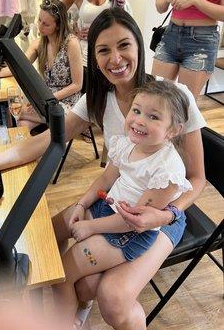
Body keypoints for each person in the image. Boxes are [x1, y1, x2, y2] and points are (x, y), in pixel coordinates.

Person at [0, 8, 206, 330]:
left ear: (139, 47)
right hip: (115, 202)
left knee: (111, 299)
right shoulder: (98, 98)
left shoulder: (174, 98)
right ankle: (71, 310)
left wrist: (165, 215)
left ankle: (74, 308)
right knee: (46, 238)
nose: (115, 58)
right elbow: (42, 143)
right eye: (103, 50)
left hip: (163, 213)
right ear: (94, 56)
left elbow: (197, 179)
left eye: (124, 45)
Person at [51, 79, 192, 327]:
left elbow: (133, 221)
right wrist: (82, 204)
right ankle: (76, 312)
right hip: (109, 210)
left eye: (153, 117)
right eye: (136, 111)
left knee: (61, 275)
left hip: (128, 233)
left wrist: (91, 227)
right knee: (57, 254)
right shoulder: (128, 143)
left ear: (173, 131)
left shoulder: (167, 171)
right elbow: (106, 177)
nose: (139, 120)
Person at [18, 0, 83, 130]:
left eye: (46, 24)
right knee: (22, 124)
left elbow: (77, 85)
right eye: (39, 20)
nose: (40, 27)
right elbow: (19, 65)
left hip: (68, 102)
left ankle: (50, 147)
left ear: (58, 26)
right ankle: (46, 149)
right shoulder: (40, 44)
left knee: (19, 113)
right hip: (47, 101)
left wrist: (48, 99)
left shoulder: (71, 44)